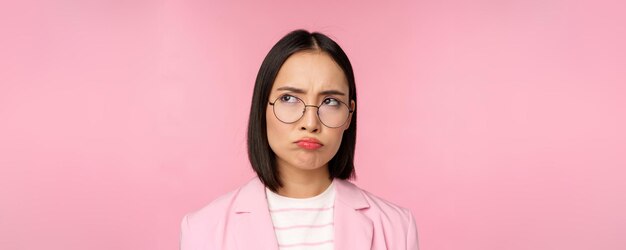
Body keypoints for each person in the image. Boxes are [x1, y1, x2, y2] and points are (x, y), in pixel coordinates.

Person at [180, 29, 419, 250]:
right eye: (289, 99)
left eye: (330, 102)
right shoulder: (203, 229)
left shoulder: (397, 227)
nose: (311, 123)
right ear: (262, 107)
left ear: (349, 115)